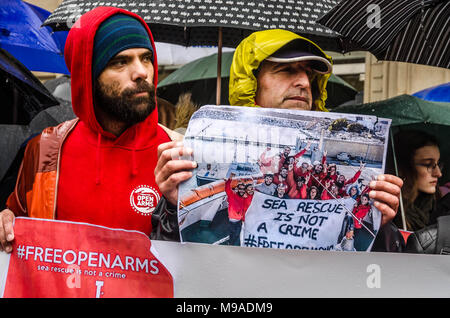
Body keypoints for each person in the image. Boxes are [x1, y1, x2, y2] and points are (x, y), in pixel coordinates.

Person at [151, 29, 403, 244]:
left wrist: (381, 226)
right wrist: (174, 206)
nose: (304, 81)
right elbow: (176, 262)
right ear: (251, 82)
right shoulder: (201, 147)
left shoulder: (335, 155)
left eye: (309, 75)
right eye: (286, 70)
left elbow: (375, 271)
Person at [0, 7, 183, 253]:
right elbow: (17, 222)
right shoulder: (45, 151)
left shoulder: (179, 154)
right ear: (88, 75)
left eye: (146, 57)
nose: (142, 72)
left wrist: (180, 209)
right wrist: (6, 221)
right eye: (120, 62)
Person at [393, 130, 445, 232]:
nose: (438, 173)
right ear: (403, 168)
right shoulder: (389, 214)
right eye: (428, 164)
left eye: (438, 164)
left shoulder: (439, 206)